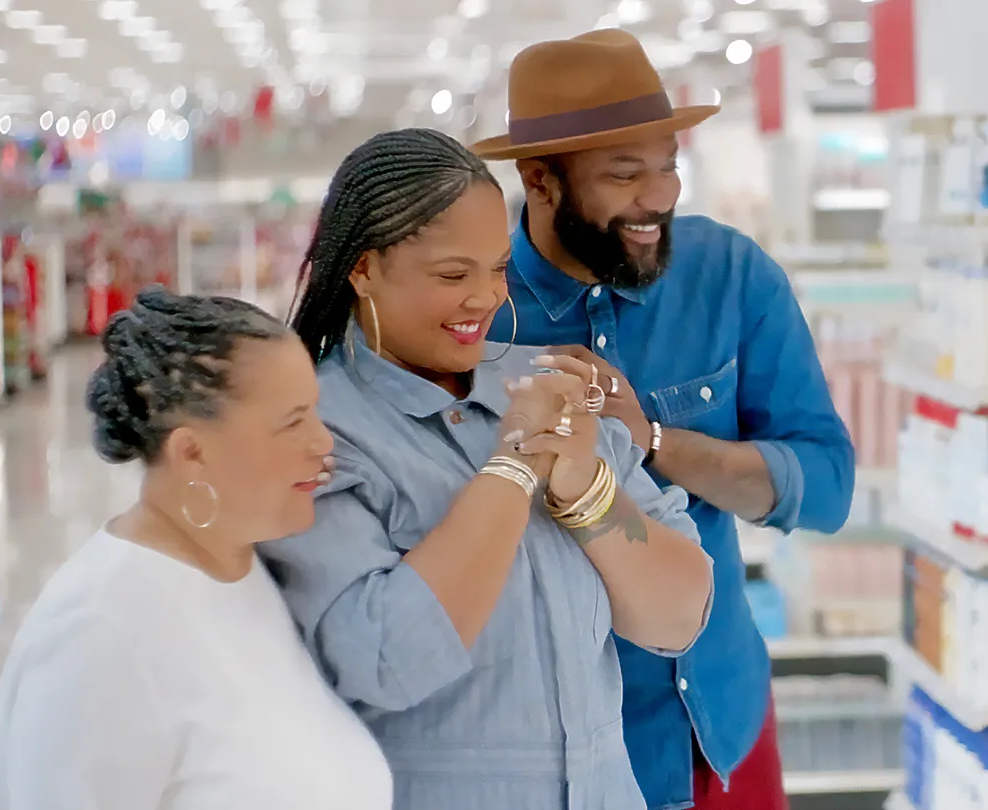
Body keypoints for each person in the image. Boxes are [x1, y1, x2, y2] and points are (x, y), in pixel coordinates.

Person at [263, 127, 715, 810]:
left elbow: (680, 617)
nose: (486, 298)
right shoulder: (314, 433)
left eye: (499, 267)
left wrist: (590, 494)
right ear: (362, 269)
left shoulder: (548, 387)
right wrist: (511, 470)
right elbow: (385, 660)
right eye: (452, 275)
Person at [474, 29, 856, 810]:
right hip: (552, 755)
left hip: (714, 723)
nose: (662, 197)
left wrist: (648, 438)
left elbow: (826, 489)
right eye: (625, 174)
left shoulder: (730, 275)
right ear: (540, 181)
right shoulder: (475, 309)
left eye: (669, 165)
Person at [0, 287, 391, 810]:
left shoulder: (241, 568)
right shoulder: (101, 634)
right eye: (293, 422)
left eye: (315, 411)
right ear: (192, 452)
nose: (323, 442)